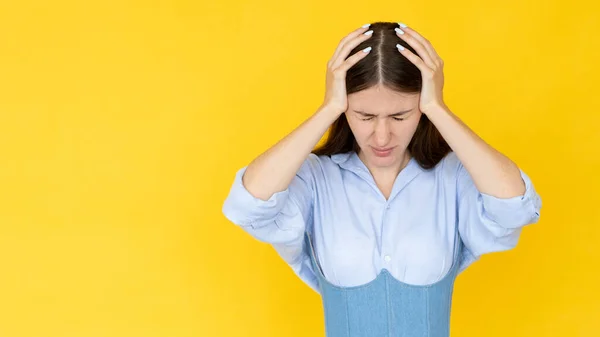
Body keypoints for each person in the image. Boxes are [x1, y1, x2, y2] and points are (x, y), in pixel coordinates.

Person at [222, 21, 542, 337]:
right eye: (365, 116)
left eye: (400, 116)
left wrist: (438, 107)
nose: (382, 135)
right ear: (346, 110)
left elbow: (515, 207)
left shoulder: (452, 176)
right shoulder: (317, 179)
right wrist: (328, 107)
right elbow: (247, 206)